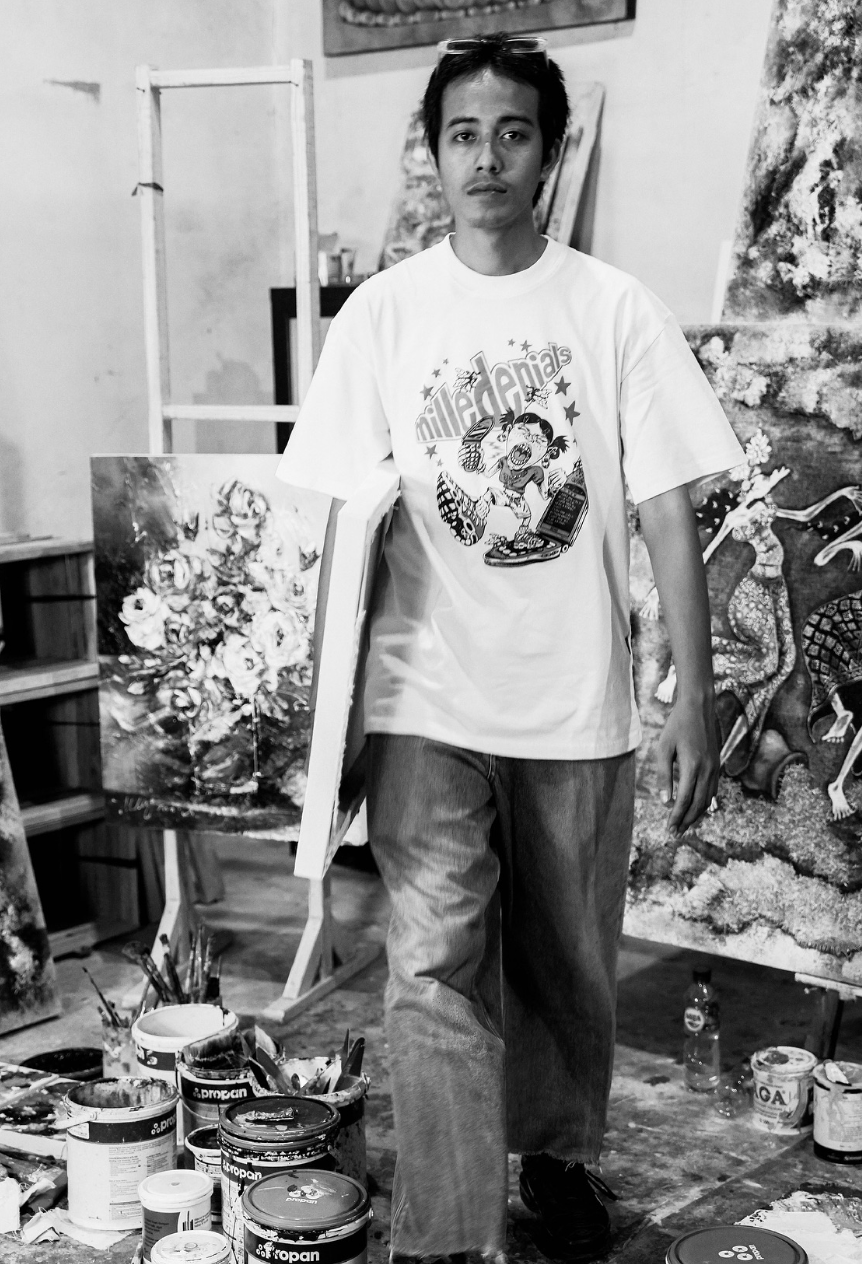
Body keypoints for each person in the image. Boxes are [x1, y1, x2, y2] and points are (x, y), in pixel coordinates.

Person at [277, 32, 744, 1264]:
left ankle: (555, 1154)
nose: (487, 158)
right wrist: (319, 732)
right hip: (422, 698)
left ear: (550, 151)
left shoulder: (613, 308)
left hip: (576, 701)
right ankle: (449, 1236)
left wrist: (693, 694)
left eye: (514, 133)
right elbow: (332, 528)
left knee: (566, 965)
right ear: (432, 155)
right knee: (432, 963)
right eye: (464, 135)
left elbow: (667, 508)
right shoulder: (381, 316)